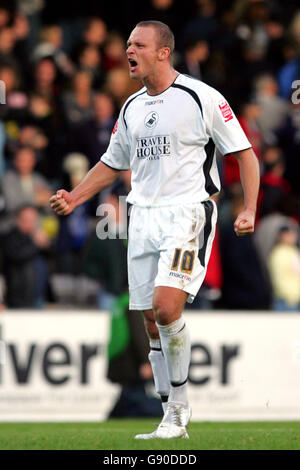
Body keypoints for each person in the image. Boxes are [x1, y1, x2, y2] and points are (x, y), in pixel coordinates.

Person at [50, 21, 259, 439]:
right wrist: (74, 197)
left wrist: (250, 207)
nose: (130, 50)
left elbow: (245, 154)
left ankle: (179, 410)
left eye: (139, 45)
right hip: (141, 217)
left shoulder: (201, 97)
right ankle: (169, 415)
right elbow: (112, 163)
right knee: (149, 319)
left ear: (163, 52)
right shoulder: (131, 107)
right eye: (128, 44)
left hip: (187, 214)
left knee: (166, 308)